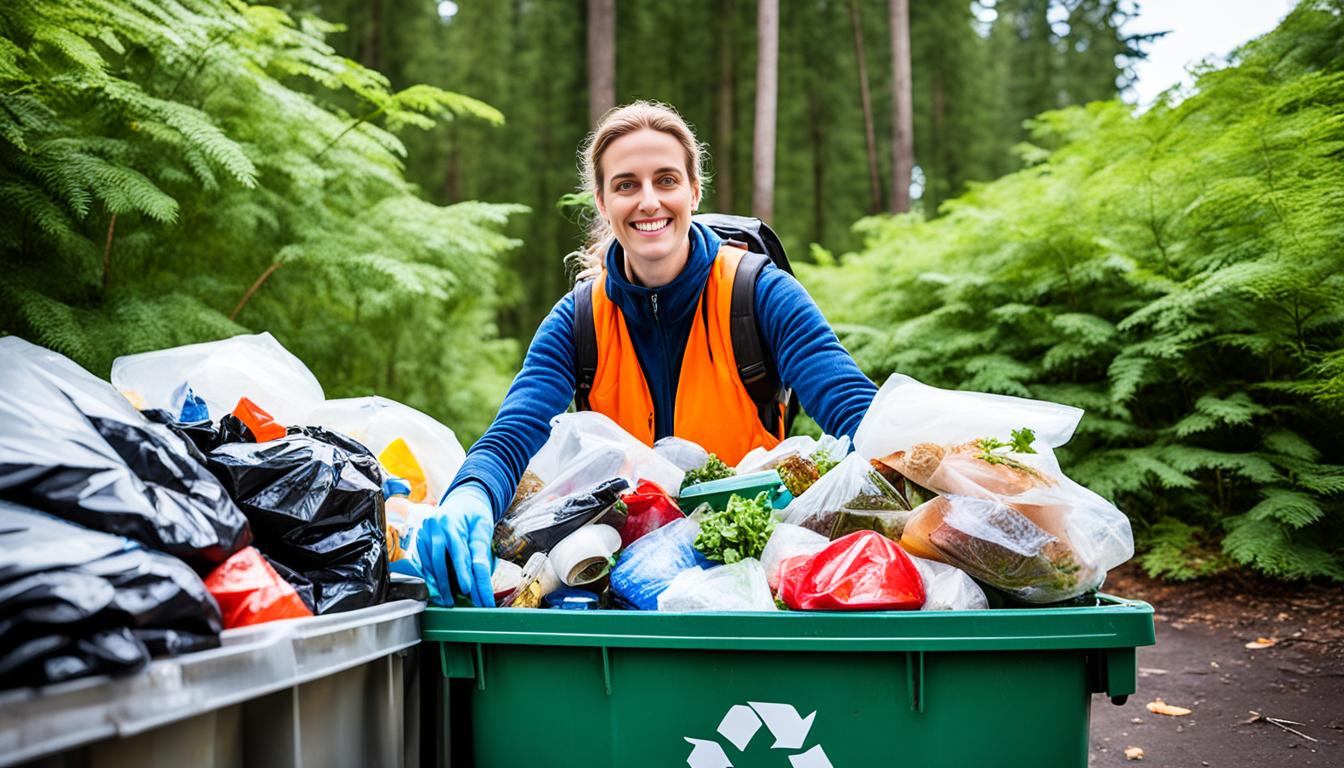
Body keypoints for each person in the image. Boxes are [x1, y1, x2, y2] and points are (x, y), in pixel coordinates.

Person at [415, 101, 878, 606]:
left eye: (666, 180)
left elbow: (854, 409)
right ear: (602, 201)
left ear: (694, 191)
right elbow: (514, 433)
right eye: (626, 185)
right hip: (613, 584)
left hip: (752, 583)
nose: (649, 201)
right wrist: (470, 494)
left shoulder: (759, 294)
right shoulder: (579, 320)